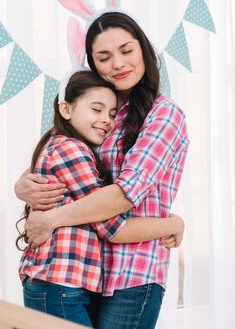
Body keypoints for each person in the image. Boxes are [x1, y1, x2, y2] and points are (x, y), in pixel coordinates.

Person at [16, 0, 189, 329]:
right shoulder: (101, 114)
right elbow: (58, 161)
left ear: (143, 48)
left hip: (134, 272)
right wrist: (22, 185)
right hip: (88, 271)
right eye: (104, 57)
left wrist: (51, 218)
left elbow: (125, 195)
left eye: (126, 50)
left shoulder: (164, 115)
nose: (119, 64)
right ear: (91, 62)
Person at [17, 69, 184, 328]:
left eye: (111, 114)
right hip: (59, 283)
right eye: (96, 110)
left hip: (62, 283)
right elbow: (112, 227)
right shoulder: (72, 149)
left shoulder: (65, 144)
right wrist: (173, 224)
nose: (106, 120)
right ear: (66, 109)